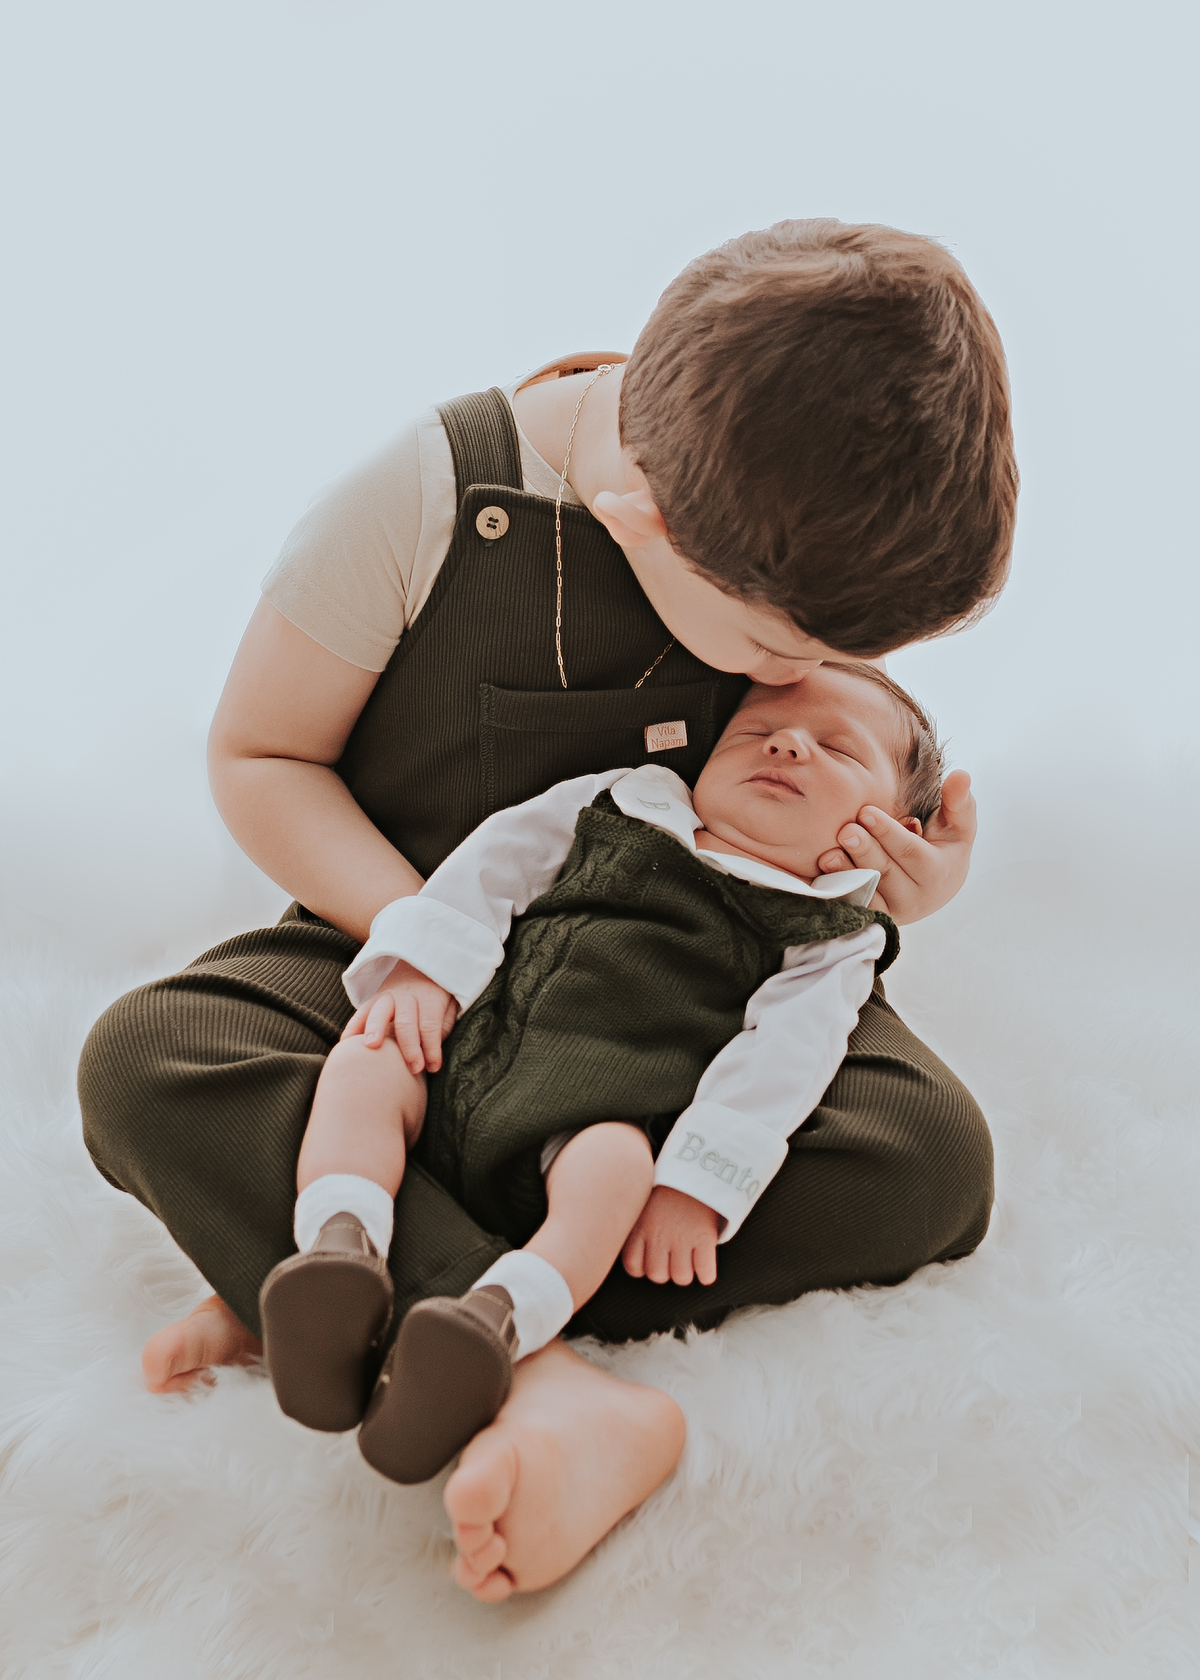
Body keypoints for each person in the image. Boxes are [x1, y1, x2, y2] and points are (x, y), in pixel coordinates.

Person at [78, 218, 1016, 1601]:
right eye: (781, 652)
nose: (803, 681)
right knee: (149, 1056)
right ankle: (546, 1381)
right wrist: (431, 945)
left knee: (929, 1155)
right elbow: (261, 755)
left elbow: (834, 769)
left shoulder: (777, 523)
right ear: (640, 524)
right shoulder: (417, 502)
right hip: (399, 948)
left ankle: (341, 1248)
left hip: (679, 992)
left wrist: (891, 882)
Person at [257, 664, 943, 1496]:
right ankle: (341, 1246)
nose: (787, 743)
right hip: (464, 1049)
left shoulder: (829, 930)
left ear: (895, 831)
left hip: (587, 1119)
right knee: (369, 1055)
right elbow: (495, 864)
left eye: (837, 748)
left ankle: (493, 1323)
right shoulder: (622, 802)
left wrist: (697, 1184)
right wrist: (422, 971)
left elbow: (786, 1057)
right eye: (755, 730)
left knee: (616, 1170)